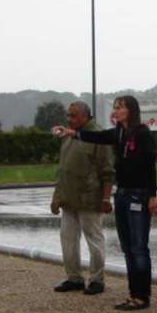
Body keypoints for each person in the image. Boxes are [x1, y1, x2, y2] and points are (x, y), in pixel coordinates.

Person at [52, 96, 157, 310]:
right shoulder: (118, 133)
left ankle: (142, 296)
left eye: (120, 108)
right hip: (123, 194)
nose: (116, 111)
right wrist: (74, 133)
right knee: (127, 247)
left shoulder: (142, 133)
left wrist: (152, 196)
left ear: (131, 111)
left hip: (138, 195)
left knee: (138, 247)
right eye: (115, 107)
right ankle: (133, 293)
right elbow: (99, 137)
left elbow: (150, 166)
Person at [51, 101, 115, 295]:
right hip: (69, 200)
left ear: (86, 116)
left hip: (90, 199)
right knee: (68, 240)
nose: (69, 119)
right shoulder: (68, 136)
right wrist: (57, 197)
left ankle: (97, 280)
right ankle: (74, 278)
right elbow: (63, 170)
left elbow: (107, 171)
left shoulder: (98, 136)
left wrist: (105, 199)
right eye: (68, 115)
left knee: (94, 240)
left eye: (73, 115)